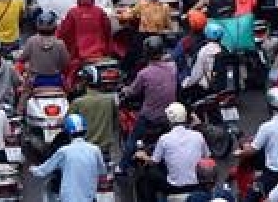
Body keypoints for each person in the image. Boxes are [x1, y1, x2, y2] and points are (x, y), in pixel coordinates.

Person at [118, 36, 177, 175]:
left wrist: (124, 90)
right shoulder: (172, 68)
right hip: (169, 115)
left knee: (133, 138)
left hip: (150, 116)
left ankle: (121, 167)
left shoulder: (144, 74)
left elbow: (132, 91)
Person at [235, 88, 278, 195]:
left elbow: (252, 150)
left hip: (274, 173)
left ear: (270, 107)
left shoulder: (266, 127)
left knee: (251, 196)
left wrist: (240, 153)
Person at [136, 102, 210, 198]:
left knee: (148, 177)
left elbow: (153, 162)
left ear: (169, 120)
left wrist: (144, 156)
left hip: (175, 188)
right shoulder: (198, 135)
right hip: (198, 186)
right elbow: (207, 157)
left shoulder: (164, 139)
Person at [32, 113, 106, 202]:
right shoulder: (95, 149)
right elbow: (102, 171)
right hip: (90, 197)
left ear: (67, 132)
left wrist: (32, 169)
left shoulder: (64, 151)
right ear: (85, 131)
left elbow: (42, 171)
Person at [55, 0, 112, 77]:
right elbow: (108, 33)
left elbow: (63, 35)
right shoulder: (100, 11)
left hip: (79, 57)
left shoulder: (72, 13)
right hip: (100, 54)